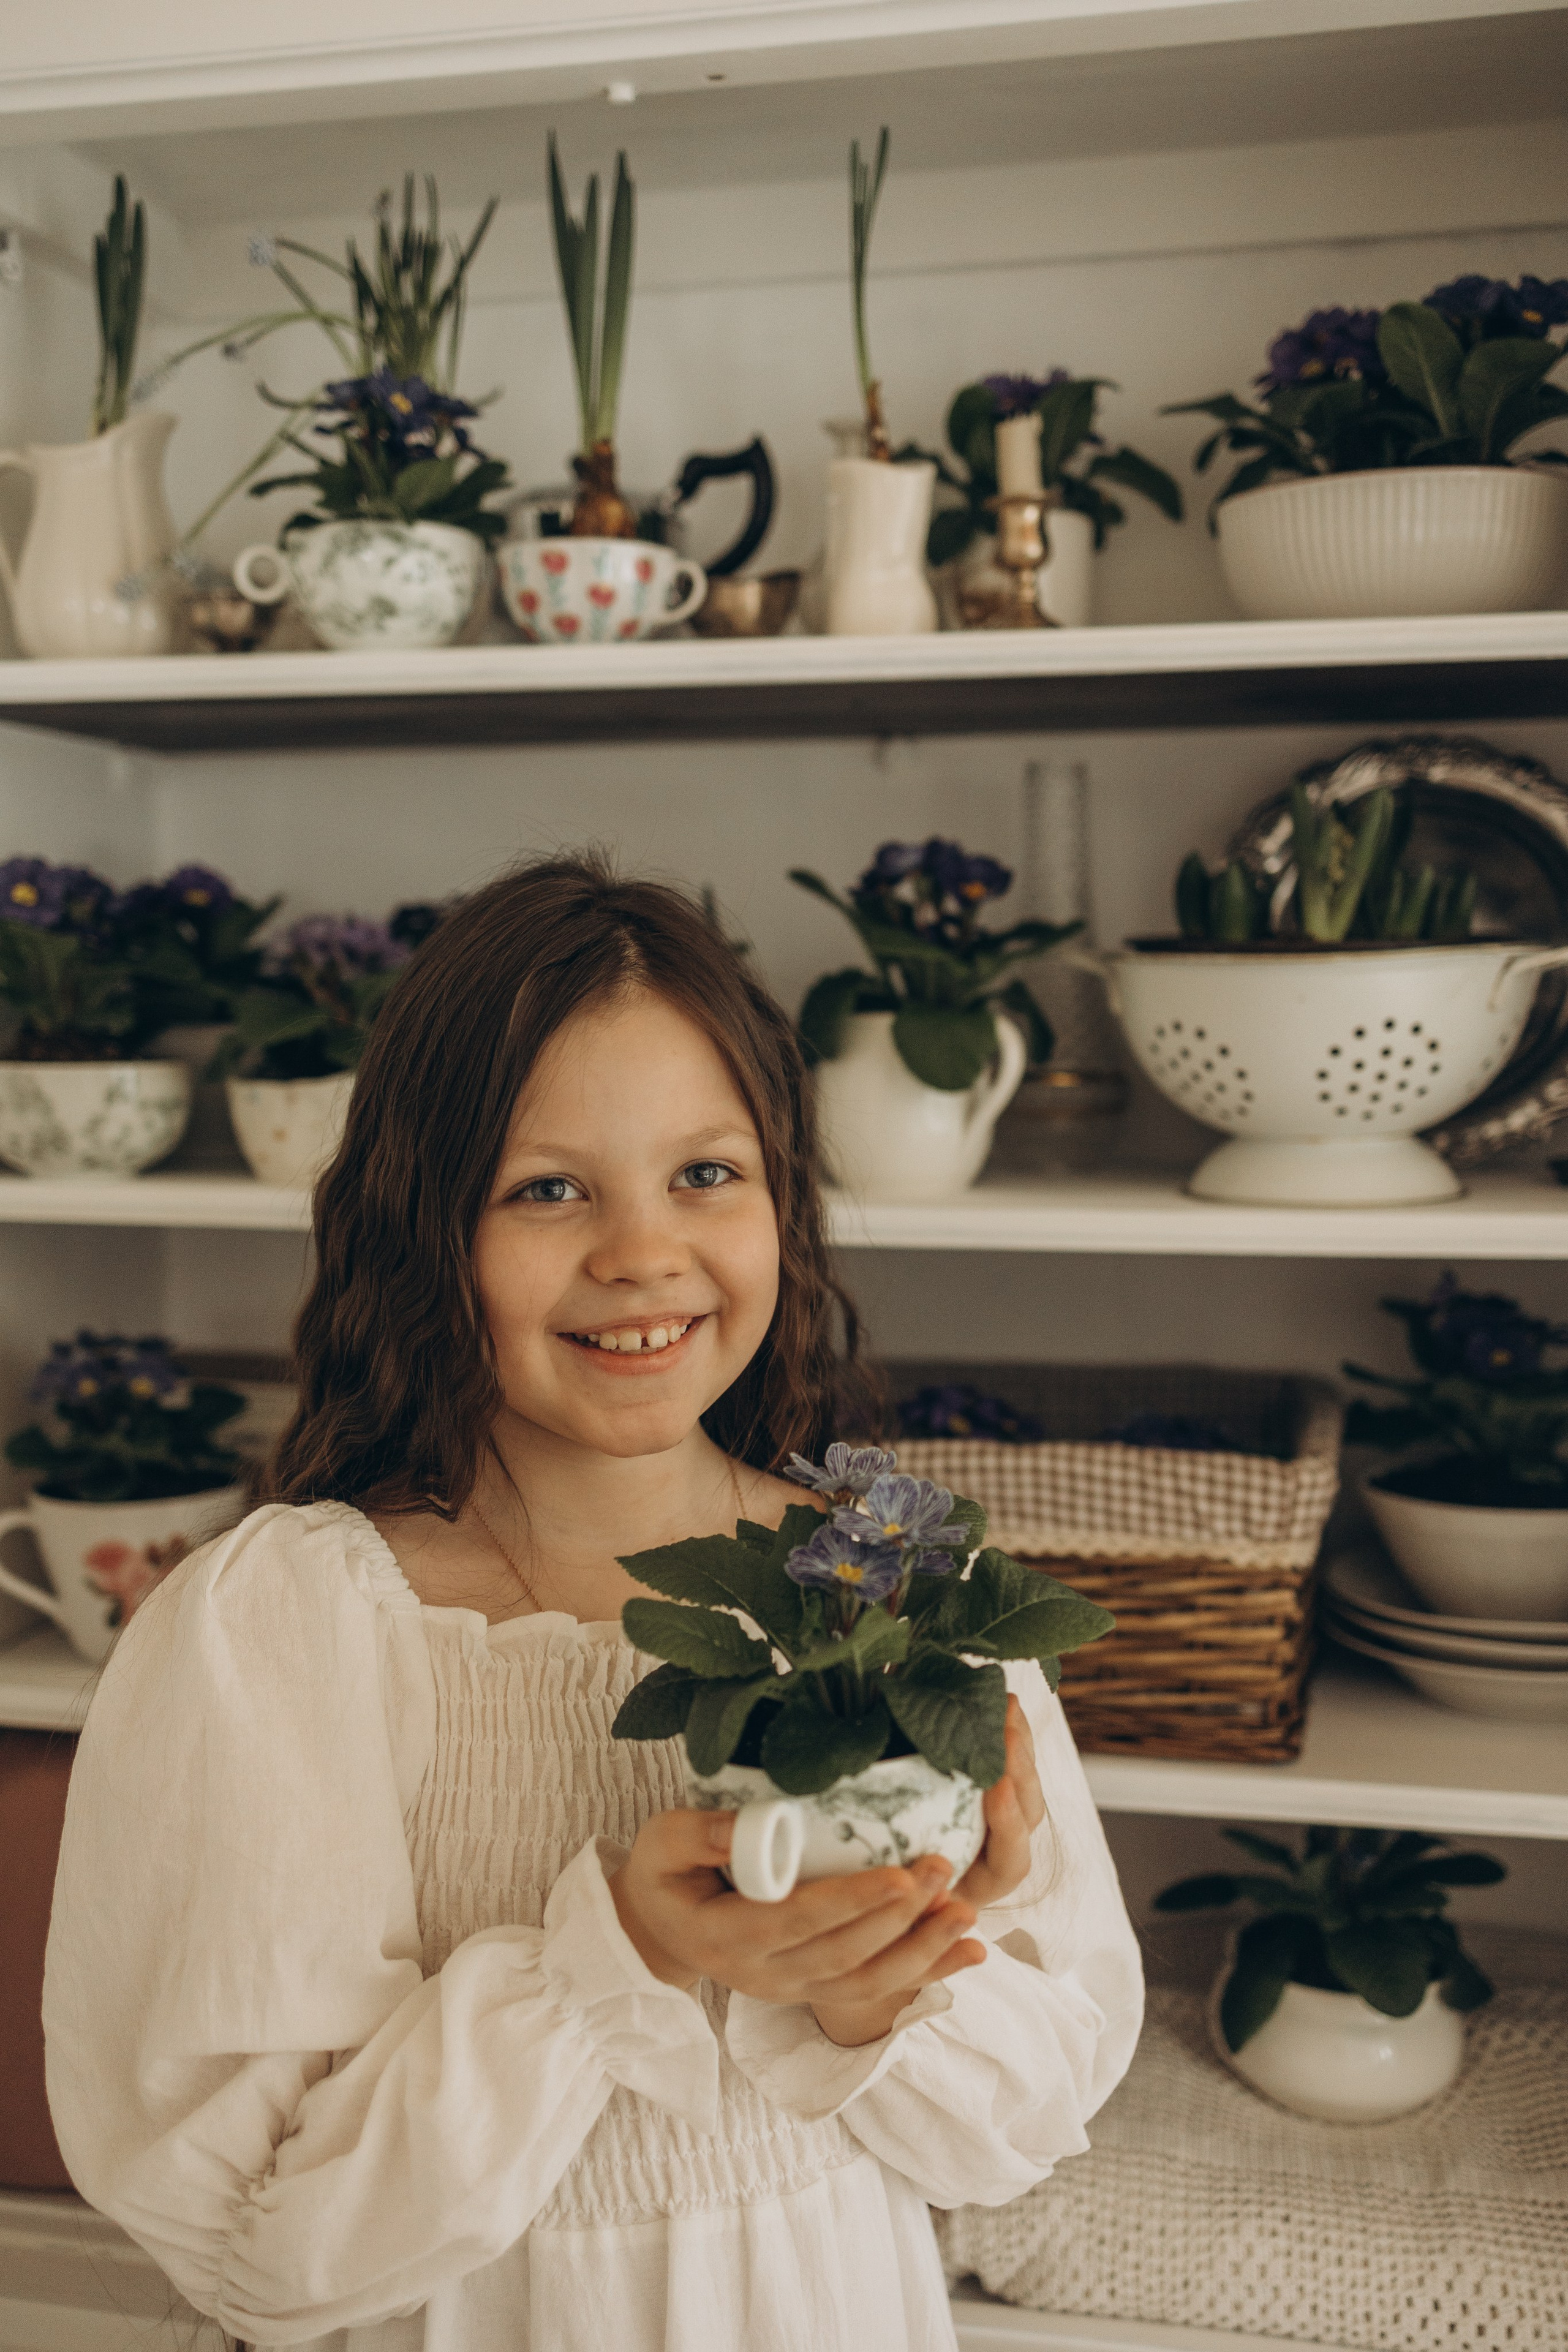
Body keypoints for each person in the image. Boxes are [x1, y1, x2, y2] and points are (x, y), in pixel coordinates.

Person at [44, 857, 1142, 2352]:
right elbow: (260, 2254)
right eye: (546, 1188)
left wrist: (897, 1982)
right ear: (424, 1227)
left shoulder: (896, 1592)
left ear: (781, 1205)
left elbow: (1022, 2129)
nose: (642, 1254)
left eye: (707, 1172)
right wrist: (611, 1956)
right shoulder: (289, 1631)